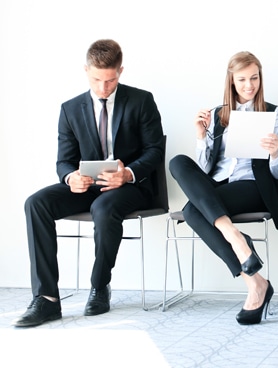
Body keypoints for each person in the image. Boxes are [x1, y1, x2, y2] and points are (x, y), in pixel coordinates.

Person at [14, 39, 165, 327]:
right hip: (88, 187)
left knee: (105, 207)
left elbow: (155, 151)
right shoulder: (70, 109)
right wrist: (71, 177)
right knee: (36, 203)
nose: (104, 87)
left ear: (121, 71)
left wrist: (129, 172)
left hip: (130, 187)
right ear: (86, 70)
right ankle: (46, 299)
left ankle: (99, 286)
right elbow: (64, 161)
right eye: (97, 79)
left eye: (111, 80)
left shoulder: (141, 101)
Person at [169, 51, 278, 325]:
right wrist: (201, 137)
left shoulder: (273, 113)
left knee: (192, 211)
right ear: (231, 82)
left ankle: (252, 279)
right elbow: (204, 169)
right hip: (219, 186)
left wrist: (276, 153)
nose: (249, 85)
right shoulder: (217, 114)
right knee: (178, 162)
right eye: (242, 79)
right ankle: (243, 252)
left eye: (254, 78)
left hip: (253, 187)